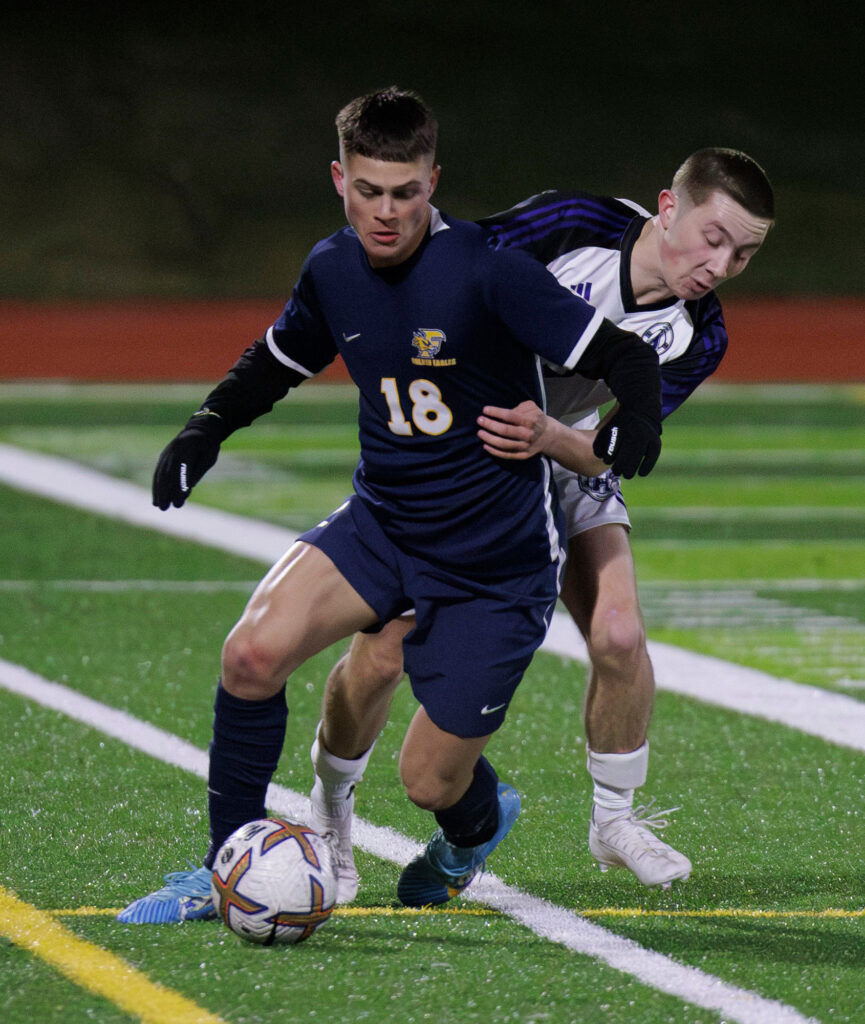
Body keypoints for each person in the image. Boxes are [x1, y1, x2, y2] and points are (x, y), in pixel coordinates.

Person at [117, 86, 664, 924]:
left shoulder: (486, 268)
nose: (386, 211)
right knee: (250, 657)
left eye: (405, 192)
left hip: (494, 563)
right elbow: (275, 361)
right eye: (367, 190)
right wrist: (205, 429)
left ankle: (475, 825)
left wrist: (639, 425)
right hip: (383, 522)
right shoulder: (332, 268)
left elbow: (621, 355)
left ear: (432, 181)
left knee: (427, 782)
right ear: (338, 179)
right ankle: (225, 860)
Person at [307, 147, 775, 902]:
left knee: (619, 633)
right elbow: (448, 268)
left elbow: (613, 452)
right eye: (712, 238)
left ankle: (614, 821)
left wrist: (551, 440)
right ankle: (330, 810)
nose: (720, 265)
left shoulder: (700, 335)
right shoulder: (573, 225)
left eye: (744, 254)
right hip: (464, 451)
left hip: (564, 454)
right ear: (667, 207)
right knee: (386, 646)